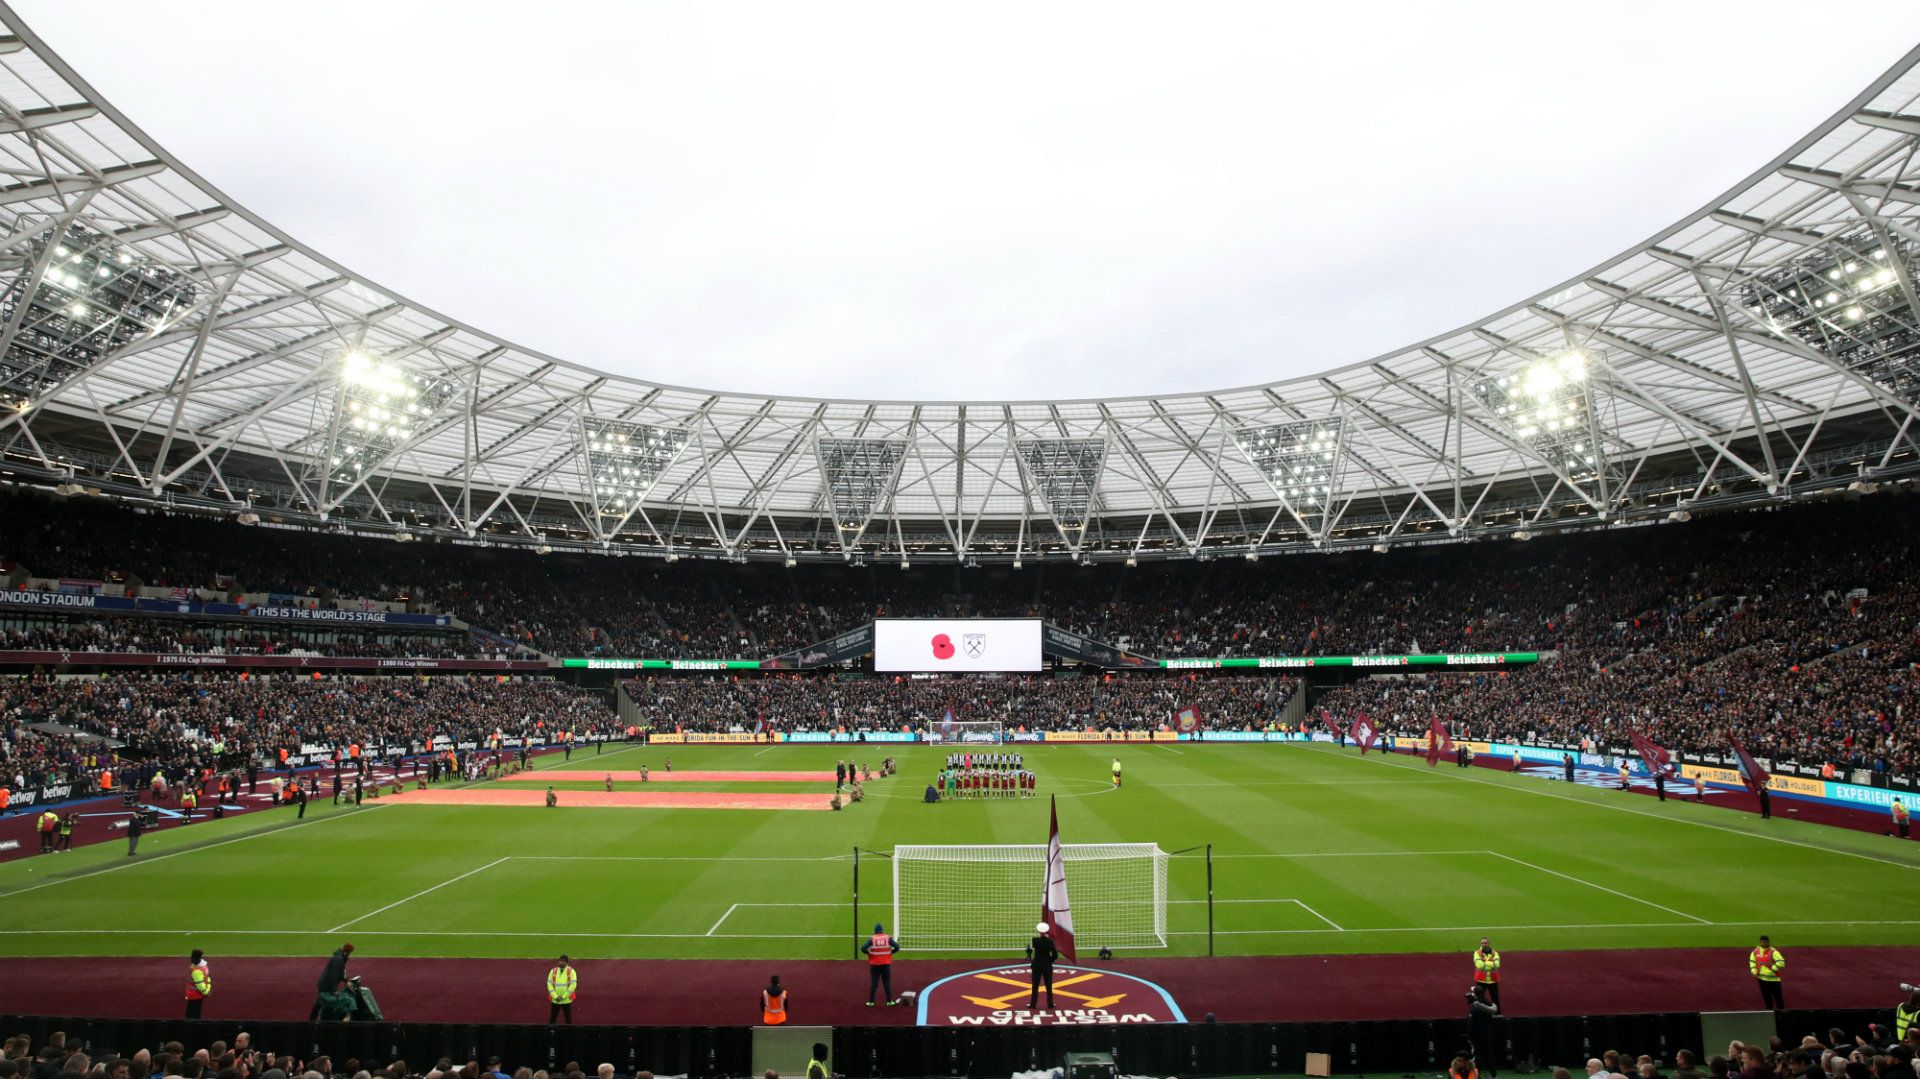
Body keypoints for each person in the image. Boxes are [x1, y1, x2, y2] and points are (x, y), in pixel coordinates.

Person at [309, 942, 353, 1020]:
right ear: (348, 951)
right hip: (326, 985)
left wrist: (346, 981)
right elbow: (333, 975)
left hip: (326, 984)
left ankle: (312, 1020)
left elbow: (341, 972)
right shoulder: (338, 959)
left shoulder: (340, 958)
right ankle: (313, 1020)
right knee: (320, 1002)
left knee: (320, 1002)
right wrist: (334, 990)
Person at [861, 921, 899, 1006]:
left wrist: (869, 953)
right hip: (886, 963)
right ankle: (889, 1001)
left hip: (874, 964)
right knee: (887, 982)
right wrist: (891, 952)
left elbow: (863, 948)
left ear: (875, 931)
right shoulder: (887, 938)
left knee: (874, 983)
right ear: (882, 930)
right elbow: (897, 947)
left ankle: (871, 1002)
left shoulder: (872, 939)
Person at [1467, 984, 1499, 1077]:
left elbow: (1471, 1023)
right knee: (1489, 1056)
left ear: (1475, 994)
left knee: (1477, 1057)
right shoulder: (1488, 1003)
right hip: (1486, 1034)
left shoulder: (1474, 1006)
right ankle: (1494, 1075)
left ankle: (1477, 1076)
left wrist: (1469, 1036)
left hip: (1476, 1036)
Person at [1027, 921, 1058, 1010]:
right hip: (1047, 965)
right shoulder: (1050, 942)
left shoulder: (1035, 940)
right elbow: (1055, 955)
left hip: (1037, 965)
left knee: (1035, 985)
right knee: (1049, 985)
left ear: (1039, 931)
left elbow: (1033, 950)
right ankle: (1050, 1004)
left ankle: (1033, 1004)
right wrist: (1049, 961)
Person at [1749, 935, 1785, 1009]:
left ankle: (1781, 1015)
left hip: (1774, 980)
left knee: (1778, 999)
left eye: (1766, 942)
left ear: (1768, 942)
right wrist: (1753, 970)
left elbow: (1781, 963)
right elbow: (1752, 961)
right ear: (1760, 942)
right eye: (1763, 942)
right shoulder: (1755, 951)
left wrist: (1773, 967)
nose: (1764, 943)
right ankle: (1769, 1014)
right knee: (1767, 1000)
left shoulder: (1773, 951)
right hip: (1762, 980)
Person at [547, 954, 578, 1024]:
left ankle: (568, 1032)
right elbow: (549, 984)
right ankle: (551, 1031)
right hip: (555, 999)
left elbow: (573, 985)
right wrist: (555, 996)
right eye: (560, 961)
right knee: (553, 1018)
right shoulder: (553, 971)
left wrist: (563, 996)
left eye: (563, 961)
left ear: (566, 962)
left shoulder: (571, 971)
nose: (561, 962)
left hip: (566, 1000)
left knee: (568, 1019)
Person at [1472, 938, 1502, 1008]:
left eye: (1485, 943)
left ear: (1488, 943)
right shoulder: (1477, 953)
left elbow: (1497, 965)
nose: (1484, 945)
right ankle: (1480, 1013)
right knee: (1479, 998)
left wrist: (1484, 963)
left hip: (1492, 980)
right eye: (1482, 943)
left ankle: (1498, 1014)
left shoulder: (1495, 953)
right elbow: (1479, 965)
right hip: (1481, 980)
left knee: (1495, 998)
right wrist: (1491, 964)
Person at [184, 949, 212, 1019]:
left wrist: (206, 992)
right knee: (197, 1013)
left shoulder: (196, 970)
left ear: (195, 958)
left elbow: (200, 985)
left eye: (192, 957)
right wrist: (207, 990)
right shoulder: (204, 966)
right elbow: (207, 978)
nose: (191, 959)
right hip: (199, 995)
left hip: (194, 995)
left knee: (190, 1016)